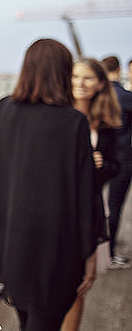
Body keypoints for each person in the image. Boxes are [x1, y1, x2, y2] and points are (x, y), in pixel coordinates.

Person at [0, 39, 101, 330]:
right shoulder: (73, 122)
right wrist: (90, 257)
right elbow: (86, 197)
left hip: (13, 246)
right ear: (62, 74)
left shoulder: (4, 110)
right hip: (56, 253)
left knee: (27, 316)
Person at [61, 57, 121, 330]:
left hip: (90, 208)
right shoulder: (58, 114)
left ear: (99, 84)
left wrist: (101, 165)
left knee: (78, 285)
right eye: (75, 76)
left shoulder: (108, 121)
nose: (79, 83)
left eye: (86, 78)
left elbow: (118, 165)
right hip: (59, 208)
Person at [100, 55, 132, 269]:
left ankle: (99, 250)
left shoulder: (100, 95)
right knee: (114, 206)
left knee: (98, 204)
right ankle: (108, 254)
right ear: (119, 69)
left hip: (101, 158)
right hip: (122, 158)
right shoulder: (125, 96)